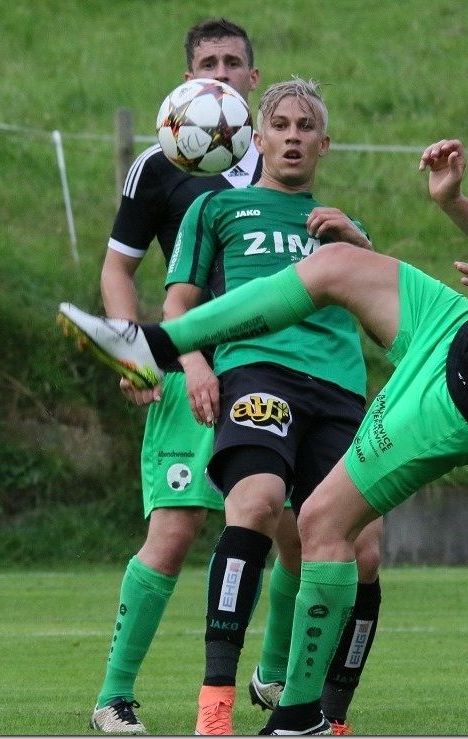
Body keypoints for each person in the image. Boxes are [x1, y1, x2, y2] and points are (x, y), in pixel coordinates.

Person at [59, 73, 468, 734]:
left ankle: (298, 715)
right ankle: (148, 343)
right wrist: (453, 203)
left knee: (324, 521)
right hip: (466, 340)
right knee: (335, 267)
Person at [163, 77, 384, 736]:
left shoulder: (340, 228)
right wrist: (195, 361)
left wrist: (356, 244)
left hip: (339, 390)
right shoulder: (218, 210)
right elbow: (178, 303)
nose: (292, 135)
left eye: (304, 126)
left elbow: (386, 318)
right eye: (280, 125)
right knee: (256, 503)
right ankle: (215, 709)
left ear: (324, 143)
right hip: (257, 372)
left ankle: (325, 717)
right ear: (256, 139)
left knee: (361, 551)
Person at [87, 18, 275, 735]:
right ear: (186, 81)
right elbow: (118, 268)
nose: (221, 74)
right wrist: (136, 354)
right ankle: (115, 693)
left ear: (252, 81)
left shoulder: (278, 156)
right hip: (184, 364)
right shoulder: (158, 165)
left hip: (268, 368)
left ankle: (274, 673)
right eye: (207, 64)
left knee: (291, 523)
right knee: (173, 529)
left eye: (233, 63)